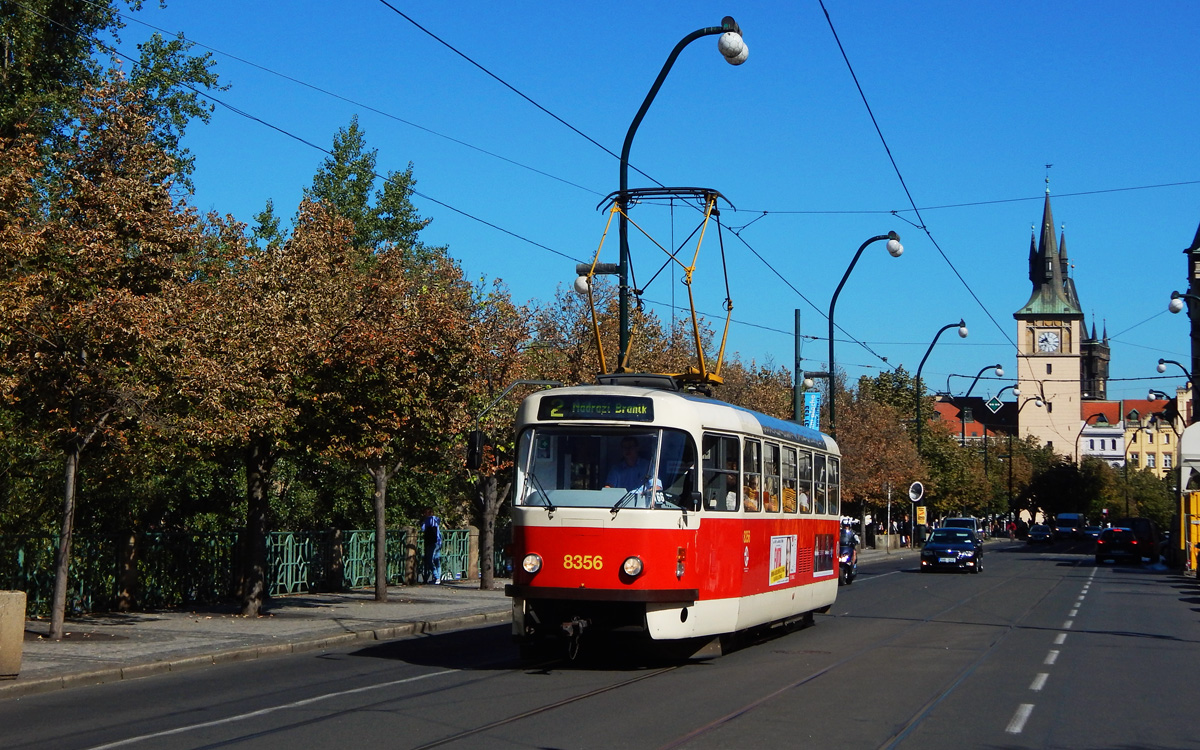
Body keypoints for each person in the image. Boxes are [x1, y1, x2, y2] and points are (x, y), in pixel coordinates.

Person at [420, 507, 442, 584]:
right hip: (438, 541)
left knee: (429, 560)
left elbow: (423, 529)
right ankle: (438, 579)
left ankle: (437, 577)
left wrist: (423, 522)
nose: (424, 514)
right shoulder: (436, 519)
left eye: (425, 512)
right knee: (437, 560)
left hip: (432, 542)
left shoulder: (428, 519)